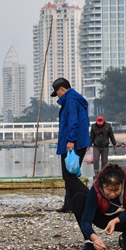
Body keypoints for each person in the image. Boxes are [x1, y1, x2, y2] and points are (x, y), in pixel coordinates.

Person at [73, 164, 126, 250]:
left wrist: (115, 221)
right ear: (102, 184)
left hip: (123, 218)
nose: (112, 194)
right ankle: (89, 242)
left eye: (116, 190)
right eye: (109, 190)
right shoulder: (96, 188)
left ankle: (124, 238)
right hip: (103, 217)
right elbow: (86, 221)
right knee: (79, 198)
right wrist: (94, 238)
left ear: (122, 183)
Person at [52, 77, 91, 213]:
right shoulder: (77, 99)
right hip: (80, 141)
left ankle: (92, 198)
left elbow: (73, 121)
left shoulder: (70, 100)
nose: (57, 96)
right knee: (70, 175)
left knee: (68, 176)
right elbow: (85, 121)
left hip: (72, 142)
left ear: (62, 89)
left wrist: (70, 141)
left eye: (57, 92)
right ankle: (69, 205)